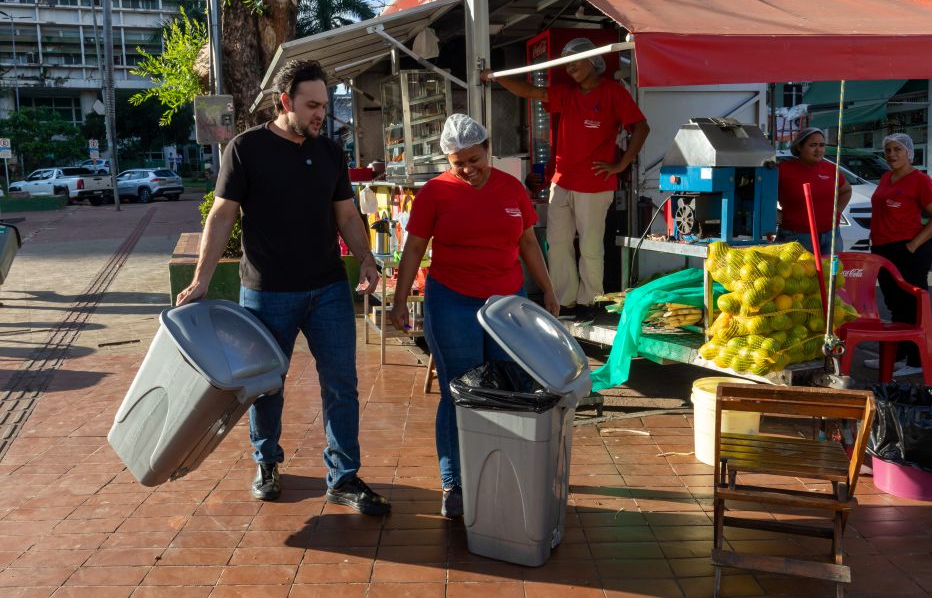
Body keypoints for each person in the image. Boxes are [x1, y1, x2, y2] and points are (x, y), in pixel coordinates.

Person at [175, 59, 390, 515]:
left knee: (341, 384)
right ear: (284, 101)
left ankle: (344, 476)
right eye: (312, 106)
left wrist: (367, 259)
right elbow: (222, 215)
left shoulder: (331, 153)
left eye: (325, 106)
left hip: (329, 288)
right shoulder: (246, 149)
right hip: (267, 291)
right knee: (265, 386)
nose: (321, 115)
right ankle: (267, 463)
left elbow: (348, 216)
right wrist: (201, 280)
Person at [387, 113, 559, 519]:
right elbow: (413, 249)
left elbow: (529, 243)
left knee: (505, 389)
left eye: (474, 160)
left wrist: (548, 290)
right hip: (453, 302)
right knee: (459, 391)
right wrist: (397, 301)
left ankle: (500, 467)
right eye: (457, 163)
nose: (468, 170)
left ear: (488, 151)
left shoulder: (512, 189)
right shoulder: (434, 193)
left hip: (506, 305)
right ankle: (455, 483)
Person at [481, 37, 649, 322]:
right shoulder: (567, 93)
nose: (570, 68)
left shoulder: (613, 93)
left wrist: (620, 164)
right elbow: (531, 91)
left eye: (575, 61)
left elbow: (641, 128)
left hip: (595, 184)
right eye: (567, 63)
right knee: (557, 243)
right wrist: (496, 77)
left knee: (590, 245)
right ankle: (564, 301)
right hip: (562, 181)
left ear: (593, 62)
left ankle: (590, 301)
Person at [863, 133, 932, 378]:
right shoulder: (887, 177)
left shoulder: (920, 180)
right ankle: (895, 356)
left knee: (913, 306)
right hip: (883, 248)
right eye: (888, 150)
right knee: (894, 304)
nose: (892, 154)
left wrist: (912, 245)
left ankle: (916, 359)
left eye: (897, 149)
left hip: (908, 250)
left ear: (909, 152)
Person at [777, 127, 852, 255]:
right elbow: (761, 196)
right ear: (799, 147)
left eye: (822, 145)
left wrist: (837, 213)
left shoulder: (831, 169)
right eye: (813, 145)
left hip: (831, 234)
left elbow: (846, 191)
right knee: (799, 275)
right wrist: (774, 212)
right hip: (796, 236)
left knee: (832, 274)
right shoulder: (783, 170)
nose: (818, 150)